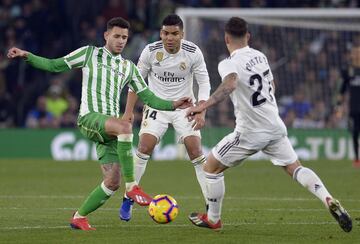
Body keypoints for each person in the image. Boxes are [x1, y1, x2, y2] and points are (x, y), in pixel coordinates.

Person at [7, 17, 192, 230]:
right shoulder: (89, 54)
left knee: (112, 181)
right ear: (106, 35)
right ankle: (132, 187)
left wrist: (174, 104)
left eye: (124, 37)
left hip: (109, 130)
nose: (121, 41)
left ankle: (79, 217)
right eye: (116, 36)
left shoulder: (128, 67)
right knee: (125, 125)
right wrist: (26, 55)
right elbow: (54, 65)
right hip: (89, 118)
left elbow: (150, 98)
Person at [186, 17, 352, 232]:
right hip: (275, 126)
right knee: (295, 168)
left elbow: (230, 83)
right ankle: (327, 198)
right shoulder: (260, 56)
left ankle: (213, 219)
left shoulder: (227, 62)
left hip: (249, 131)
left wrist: (204, 105)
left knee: (210, 167)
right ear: (248, 36)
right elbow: (272, 84)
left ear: (226, 38)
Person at [119, 14, 211, 221]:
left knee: (195, 150)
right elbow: (136, 82)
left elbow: (204, 83)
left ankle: (210, 204)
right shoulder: (150, 51)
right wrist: (128, 112)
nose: (169, 38)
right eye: (165, 33)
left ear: (182, 35)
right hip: (156, 107)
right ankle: (128, 197)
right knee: (144, 147)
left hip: (185, 108)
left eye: (174, 34)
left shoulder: (193, 52)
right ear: (161, 33)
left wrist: (201, 110)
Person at [336, 44, 360, 168]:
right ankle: (357, 159)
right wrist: (339, 106)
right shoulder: (348, 71)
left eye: (358, 52)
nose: (356, 55)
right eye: (354, 52)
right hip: (354, 108)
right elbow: (342, 90)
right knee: (355, 132)